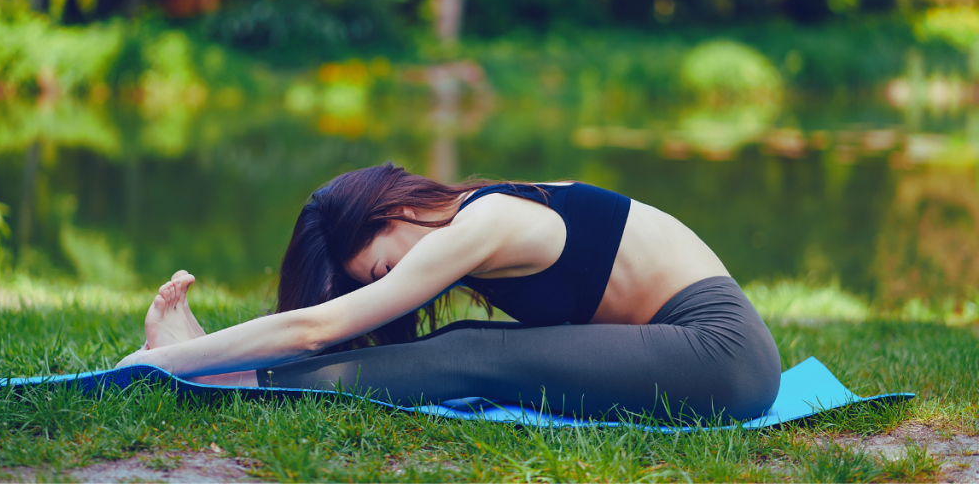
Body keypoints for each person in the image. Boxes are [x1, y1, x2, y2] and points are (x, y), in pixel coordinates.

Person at [118, 162, 781, 422]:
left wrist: (168, 364)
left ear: (394, 213)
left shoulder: (482, 223)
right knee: (467, 345)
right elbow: (329, 322)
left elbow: (316, 329)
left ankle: (218, 375)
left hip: (721, 357)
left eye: (377, 271)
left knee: (472, 350)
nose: (391, 290)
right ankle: (228, 368)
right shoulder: (477, 215)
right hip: (697, 353)